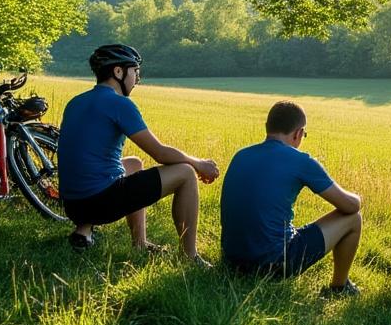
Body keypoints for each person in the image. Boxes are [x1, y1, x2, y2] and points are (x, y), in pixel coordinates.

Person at [57, 44, 220, 264]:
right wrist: (198, 163)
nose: (137, 78)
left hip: (73, 204)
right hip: (98, 202)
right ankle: (190, 256)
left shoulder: (76, 102)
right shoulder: (119, 104)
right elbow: (160, 153)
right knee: (186, 173)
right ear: (118, 72)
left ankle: (131, 241)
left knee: (133, 163)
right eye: (135, 71)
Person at [220, 101, 363, 296]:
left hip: (231, 259)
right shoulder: (302, 161)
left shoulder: (241, 155)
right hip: (274, 263)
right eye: (303, 135)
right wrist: (357, 197)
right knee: (354, 219)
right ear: (298, 133)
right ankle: (340, 286)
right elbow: (350, 206)